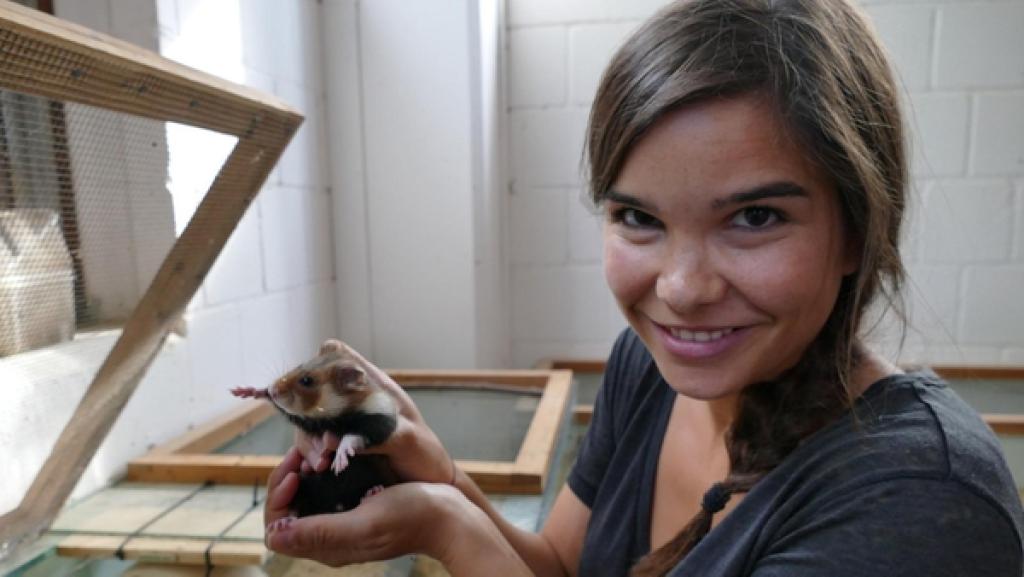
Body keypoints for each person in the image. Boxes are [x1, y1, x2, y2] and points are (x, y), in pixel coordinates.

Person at [263, 0, 1024, 574]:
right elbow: (560, 566)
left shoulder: (920, 502)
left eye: (755, 216)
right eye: (638, 216)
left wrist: (446, 527)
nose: (684, 289)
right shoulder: (649, 371)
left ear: (857, 227)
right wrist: (442, 479)